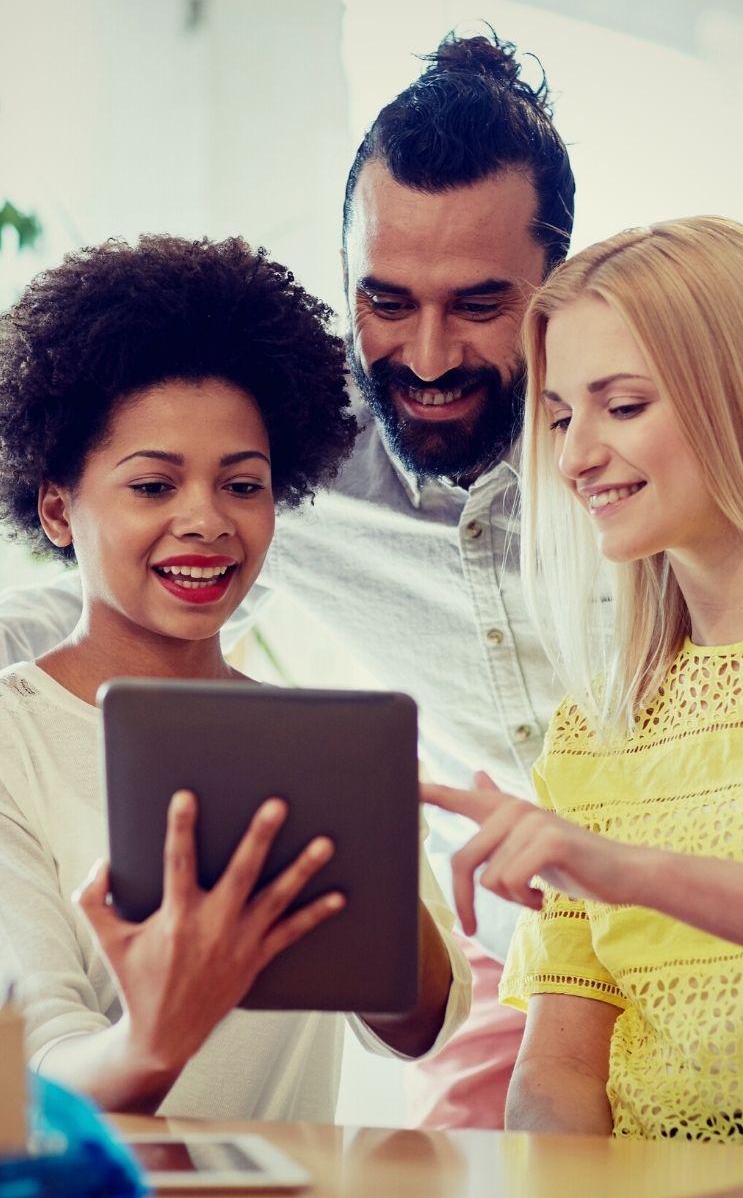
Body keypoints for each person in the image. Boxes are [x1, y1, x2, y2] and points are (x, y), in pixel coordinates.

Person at [0, 29, 575, 1127]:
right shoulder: (302, 457)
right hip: (518, 970)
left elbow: (412, 1011)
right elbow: (88, 611)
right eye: (389, 300)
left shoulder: (625, 439)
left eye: (480, 305)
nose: (431, 353)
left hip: (663, 909)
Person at [0, 233, 469, 1119]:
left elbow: (420, 1027)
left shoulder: (322, 745)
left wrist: (362, 848)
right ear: (59, 508)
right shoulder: (13, 738)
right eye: (152, 487)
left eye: (242, 485)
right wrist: (155, 1036)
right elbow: (33, 1085)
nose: (206, 521)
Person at [424, 215, 743, 1146]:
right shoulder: (598, 732)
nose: (573, 457)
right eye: (562, 415)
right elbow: (560, 1074)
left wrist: (630, 872)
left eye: (624, 405)